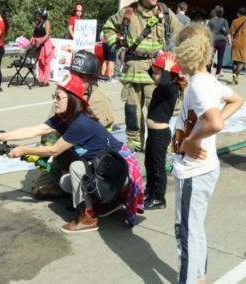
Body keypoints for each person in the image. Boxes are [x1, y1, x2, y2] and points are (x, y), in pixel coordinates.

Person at [0, 73, 143, 233]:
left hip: (119, 173)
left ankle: (88, 218)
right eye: (55, 96)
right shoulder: (64, 118)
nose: (54, 101)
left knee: (76, 168)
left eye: (59, 97)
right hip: (104, 170)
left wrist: (23, 149)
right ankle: (106, 203)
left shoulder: (81, 123)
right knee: (66, 183)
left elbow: (54, 149)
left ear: (72, 99)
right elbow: (32, 131)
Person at [171, 23, 243, 284]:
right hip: (202, 170)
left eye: (177, 51)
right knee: (194, 228)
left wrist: (191, 140)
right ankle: (199, 277)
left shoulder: (200, 86)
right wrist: (202, 133)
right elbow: (237, 99)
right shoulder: (207, 81)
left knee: (185, 233)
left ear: (187, 54)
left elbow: (216, 122)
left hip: (193, 172)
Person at [30, 50, 115, 200]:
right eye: (74, 75)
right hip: (65, 155)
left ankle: (82, 196)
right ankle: (69, 184)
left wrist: (50, 149)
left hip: (91, 160)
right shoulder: (66, 94)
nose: (76, 80)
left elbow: (88, 140)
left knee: (81, 191)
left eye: (81, 77)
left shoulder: (99, 102)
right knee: (40, 191)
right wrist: (44, 148)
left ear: (93, 79)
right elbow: (50, 126)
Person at [103, 0, 183, 153]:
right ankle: (134, 143)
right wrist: (117, 48)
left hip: (156, 71)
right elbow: (108, 27)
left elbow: (182, 34)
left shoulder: (165, 13)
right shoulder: (128, 12)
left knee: (158, 111)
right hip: (133, 69)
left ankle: (160, 144)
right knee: (132, 110)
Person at [144, 52, 187, 210]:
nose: (153, 76)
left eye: (156, 73)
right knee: (149, 163)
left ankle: (159, 197)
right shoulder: (160, 88)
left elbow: (164, 83)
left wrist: (167, 68)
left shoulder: (171, 89)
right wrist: (154, 64)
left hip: (160, 135)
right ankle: (150, 191)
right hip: (152, 134)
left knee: (158, 166)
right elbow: (158, 78)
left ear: (168, 75)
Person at [26, 8, 54, 87]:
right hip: (37, 44)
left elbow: (47, 34)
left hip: (44, 43)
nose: (36, 15)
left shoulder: (47, 22)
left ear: (41, 15)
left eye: (37, 13)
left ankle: (46, 81)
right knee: (40, 62)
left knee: (46, 62)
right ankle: (40, 80)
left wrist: (41, 41)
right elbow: (33, 35)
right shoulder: (38, 23)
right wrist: (29, 44)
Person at [207, 6, 231, 77]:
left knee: (210, 57)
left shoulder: (211, 20)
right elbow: (227, 31)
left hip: (213, 40)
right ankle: (218, 73)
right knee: (220, 58)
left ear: (215, 12)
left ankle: (208, 72)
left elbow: (208, 31)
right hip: (222, 41)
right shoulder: (224, 20)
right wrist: (229, 41)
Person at [230, 6, 246, 85]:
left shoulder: (234, 21)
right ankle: (236, 74)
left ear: (239, 14)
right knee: (243, 62)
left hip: (236, 42)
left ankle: (234, 78)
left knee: (235, 61)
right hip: (244, 43)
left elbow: (232, 33)